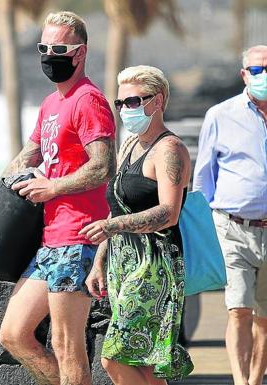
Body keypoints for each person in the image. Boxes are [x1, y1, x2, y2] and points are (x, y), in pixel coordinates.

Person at [0, 11, 115, 385]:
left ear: (80, 53)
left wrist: (53, 188)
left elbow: (103, 166)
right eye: (43, 47)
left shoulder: (89, 100)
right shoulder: (50, 105)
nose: (49, 55)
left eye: (59, 48)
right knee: (12, 334)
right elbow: (23, 160)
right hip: (49, 242)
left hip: (79, 237)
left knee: (67, 343)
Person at [81, 65, 194, 384]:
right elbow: (117, 207)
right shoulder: (131, 145)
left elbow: (169, 213)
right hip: (124, 266)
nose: (124, 110)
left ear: (157, 102)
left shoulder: (170, 149)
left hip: (154, 268)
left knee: (112, 359)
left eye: (132, 102)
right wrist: (100, 262)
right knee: (143, 364)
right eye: (120, 104)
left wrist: (114, 227)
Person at [193, 45, 267, 385]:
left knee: (265, 319)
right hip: (232, 227)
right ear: (244, 74)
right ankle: (240, 382)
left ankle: (254, 380)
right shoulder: (220, 115)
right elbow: (203, 177)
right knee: (239, 310)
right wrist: (202, 230)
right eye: (257, 70)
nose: (263, 75)